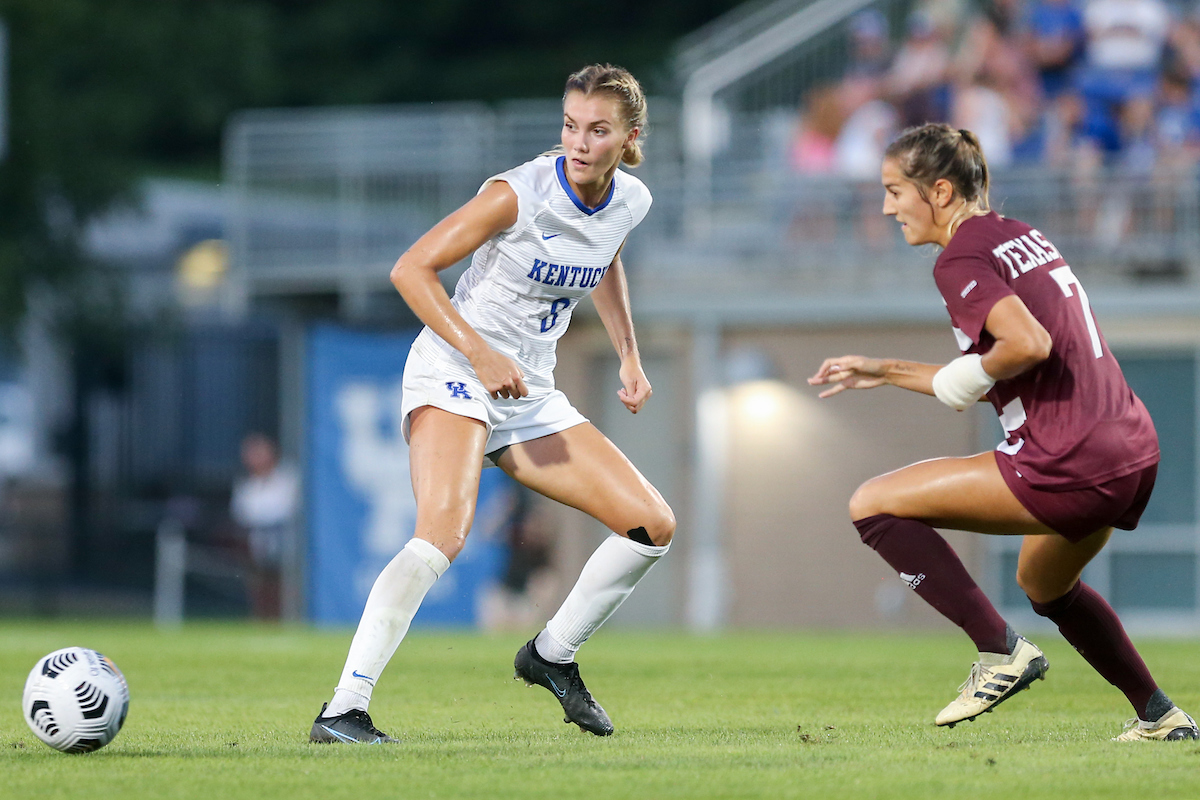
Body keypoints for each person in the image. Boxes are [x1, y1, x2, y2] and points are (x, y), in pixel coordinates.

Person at [310, 63, 675, 744]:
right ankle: (342, 710)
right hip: (454, 370)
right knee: (442, 533)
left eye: (598, 129)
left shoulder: (631, 200)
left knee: (650, 525)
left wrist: (628, 351)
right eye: (571, 125)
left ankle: (552, 655)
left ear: (629, 137)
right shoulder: (521, 193)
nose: (580, 141)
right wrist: (479, 353)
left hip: (530, 392)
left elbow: (607, 257)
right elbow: (410, 268)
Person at [808, 122, 1198, 741]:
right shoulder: (1018, 235)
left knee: (871, 504)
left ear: (938, 192)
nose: (886, 207)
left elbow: (1027, 345)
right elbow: (1006, 363)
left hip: (1069, 460)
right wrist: (886, 370)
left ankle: (1000, 651)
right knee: (1043, 583)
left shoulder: (959, 256)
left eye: (894, 190)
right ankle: (1160, 716)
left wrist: (962, 380)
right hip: (1131, 449)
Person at [230, 433, 299, 619]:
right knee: (260, 587)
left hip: (287, 547)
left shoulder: (288, 480)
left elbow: (287, 509)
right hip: (258, 547)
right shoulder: (247, 486)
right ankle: (262, 619)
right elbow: (242, 515)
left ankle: (291, 618)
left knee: (286, 586)